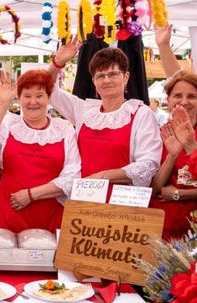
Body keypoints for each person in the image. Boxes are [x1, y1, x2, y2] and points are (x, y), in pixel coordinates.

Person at [49, 38, 161, 191]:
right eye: (100, 76)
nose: (106, 80)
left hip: (122, 202)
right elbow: (48, 90)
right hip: (83, 199)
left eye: (113, 74)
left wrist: (101, 177)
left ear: (126, 77)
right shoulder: (84, 110)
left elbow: (148, 164)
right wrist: (57, 62)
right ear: (94, 81)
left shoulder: (140, 113)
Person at [0, 70, 80, 233]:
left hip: (51, 214)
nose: (33, 102)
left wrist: (32, 194)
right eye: (27, 96)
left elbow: (73, 176)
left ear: (48, 97)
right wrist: (3, 103)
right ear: (19, 98)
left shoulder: (64, 129)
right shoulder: (9, 124)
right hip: (11, 211)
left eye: (39, 95)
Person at [150, 71, 197, 239]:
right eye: (178, 95)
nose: (184, 101)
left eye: (191, 96)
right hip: (162, 230)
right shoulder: (158, 133)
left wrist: (179, 194)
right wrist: (172, 156)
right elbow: (153, 189)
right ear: (168, 100)